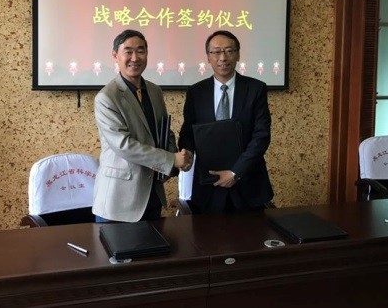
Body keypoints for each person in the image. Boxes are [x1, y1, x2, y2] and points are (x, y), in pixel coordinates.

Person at [93, 29, 193, 222]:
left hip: (152, 194)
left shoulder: (154, 91)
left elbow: (165, 131)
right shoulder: (106, 97)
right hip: (119, 201)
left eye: (140, 51)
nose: (135, 58)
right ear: (115, 56)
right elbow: (124, 145)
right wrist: (171, 160)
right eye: (128, 51)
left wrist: (173, 162)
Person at [178, 30, 273, 214]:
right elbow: (188, 132)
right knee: (207, 233)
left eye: (229, 51)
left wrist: (235, 173)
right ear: (208, 57)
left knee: (252, 233)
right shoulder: (196, 92)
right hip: (208, 185)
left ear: (238, 55)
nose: (223, 58)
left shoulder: (255, 89)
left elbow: (261, 136)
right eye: (216, 52)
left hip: (248, 184)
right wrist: (186, 153)